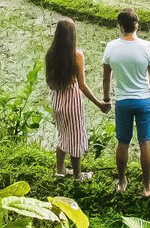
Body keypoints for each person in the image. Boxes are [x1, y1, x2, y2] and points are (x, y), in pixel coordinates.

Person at [100, 7, 150, 196]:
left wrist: (107, 98)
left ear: (120, 27)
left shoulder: (111, 47)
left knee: (123, 142)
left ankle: (121, 182)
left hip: (123, 101)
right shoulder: (147, 47)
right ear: (137, 25)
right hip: (144, 100)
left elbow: (106, 78)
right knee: (145, 142)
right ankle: (145, 186)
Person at [44, 18, 105, 181]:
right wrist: (99, 103)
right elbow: (82, 86)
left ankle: (60, 170)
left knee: (63, 135)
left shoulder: (50, 54)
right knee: (76, 138)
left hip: (57, 101)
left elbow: (49, 82)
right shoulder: (76, 55)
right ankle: (78, 176)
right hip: (72, 103)